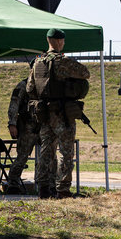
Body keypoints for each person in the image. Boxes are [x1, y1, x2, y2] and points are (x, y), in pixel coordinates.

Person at [26, 28, 90, 199]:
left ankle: (44, 189)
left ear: (48, 40)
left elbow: (30, 88)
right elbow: (85, 73)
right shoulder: (63, 61)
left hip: (44, 114)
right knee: (66, 152)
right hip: (61, 114)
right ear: (60, 41)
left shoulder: (38, 62)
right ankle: (63, 189)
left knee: (46, 150)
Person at [5, 64, 40, 194]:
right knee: (22, 157)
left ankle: (47, 184)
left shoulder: (45, 85)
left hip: (43, 126)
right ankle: (13, 183)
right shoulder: (23, 85)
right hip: (27, 127)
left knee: (48, 157)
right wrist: (12, 124)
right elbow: (14, 104)